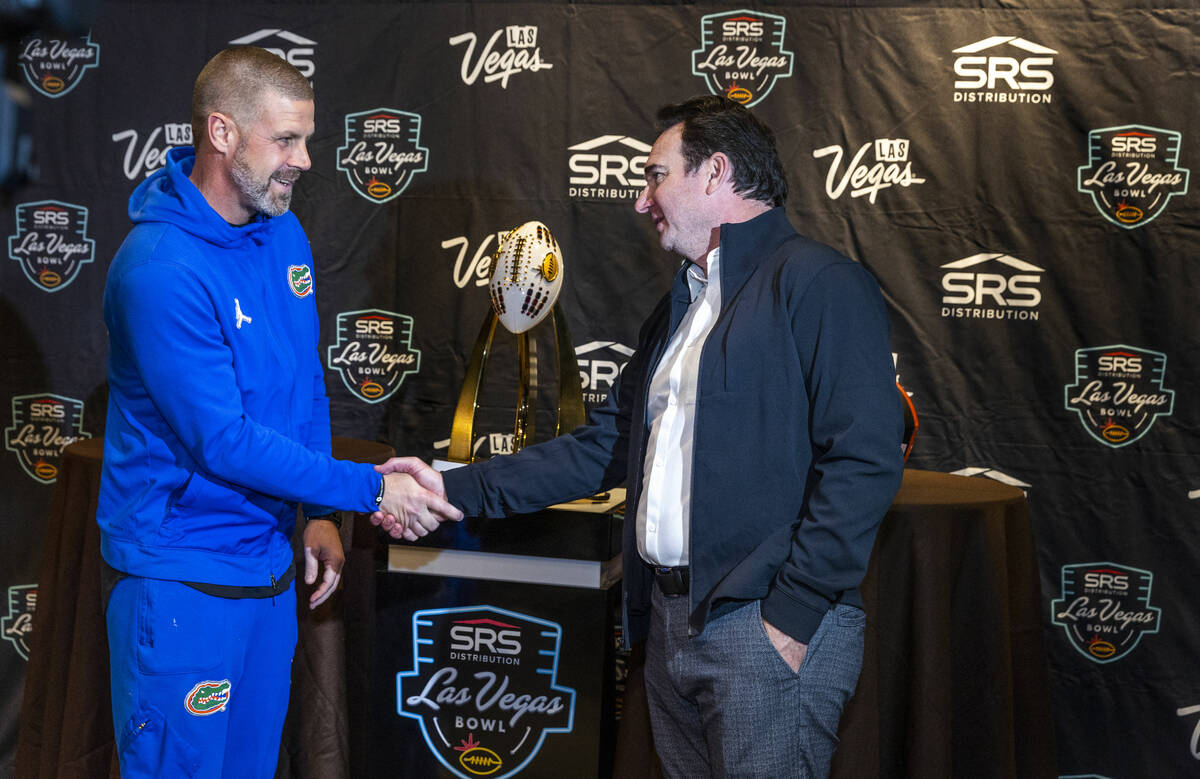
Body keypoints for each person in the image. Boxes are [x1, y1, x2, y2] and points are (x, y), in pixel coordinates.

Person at [374, 95, 905, 777]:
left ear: (715, 173)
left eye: (656, 175)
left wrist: (788, 619)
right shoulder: (680, 305)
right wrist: (448, 484)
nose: (640, 199)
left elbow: (862, 462)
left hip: (761, 630)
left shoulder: (820, 283)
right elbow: (603, 447)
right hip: (669, 624)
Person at [97, 46, 460, 778]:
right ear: (222, 132)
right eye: (285, 140)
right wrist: (364, 490)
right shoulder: (160, 268)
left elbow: (301, 389)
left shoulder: (282, 232)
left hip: (266, 575)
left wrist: (316, 515)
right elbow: (223, 440)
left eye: (307, 139)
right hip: (183, 586)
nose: (304, 160)